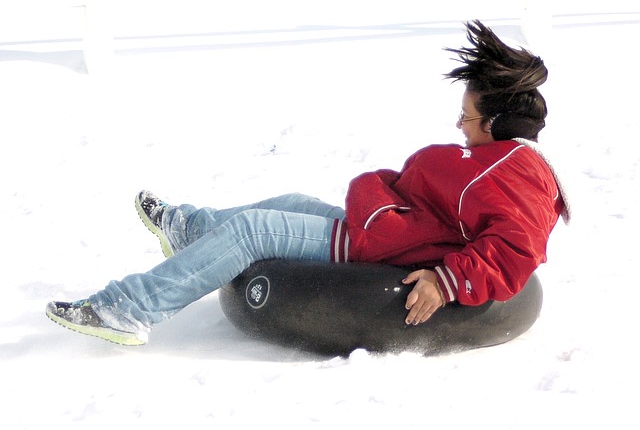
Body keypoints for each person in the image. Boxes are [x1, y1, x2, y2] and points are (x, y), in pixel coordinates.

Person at [46, 20, 570, 346]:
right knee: (290, 202)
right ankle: (192, 230)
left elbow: (515, 249)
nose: (460, 125)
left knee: (253, 231)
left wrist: (445, 281)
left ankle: (128, 309)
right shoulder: (502, 159)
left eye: (467, 117)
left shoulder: (516, 174)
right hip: (387, 224)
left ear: (498, 124)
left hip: (387, 250)